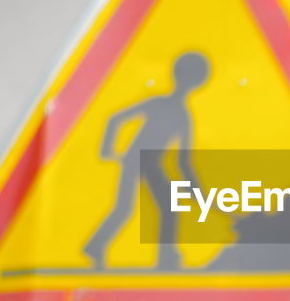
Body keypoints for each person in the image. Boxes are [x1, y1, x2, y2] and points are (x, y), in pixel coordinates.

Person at [83, 51, 208, 270]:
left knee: (146, 207)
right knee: (131, 208)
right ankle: (164, 257)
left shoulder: (180, 113)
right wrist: (106, 149)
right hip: (137, 158)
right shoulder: (167, 107)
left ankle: (99, 246)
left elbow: (183, 159)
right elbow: (115, 118)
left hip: (149, 161)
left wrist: (193, 186)